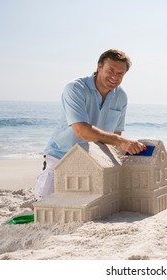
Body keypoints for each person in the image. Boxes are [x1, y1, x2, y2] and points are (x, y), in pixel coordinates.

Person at [35, 49, 146, 201]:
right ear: (99, 67)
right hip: (61, 157)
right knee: (45, 204)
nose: (115, 77)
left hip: (94, 162)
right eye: (111, 70)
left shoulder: (121, 96)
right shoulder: (75, 88)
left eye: (120, 74)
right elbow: (81, 131)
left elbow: (116, 134)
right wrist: (122, 142)